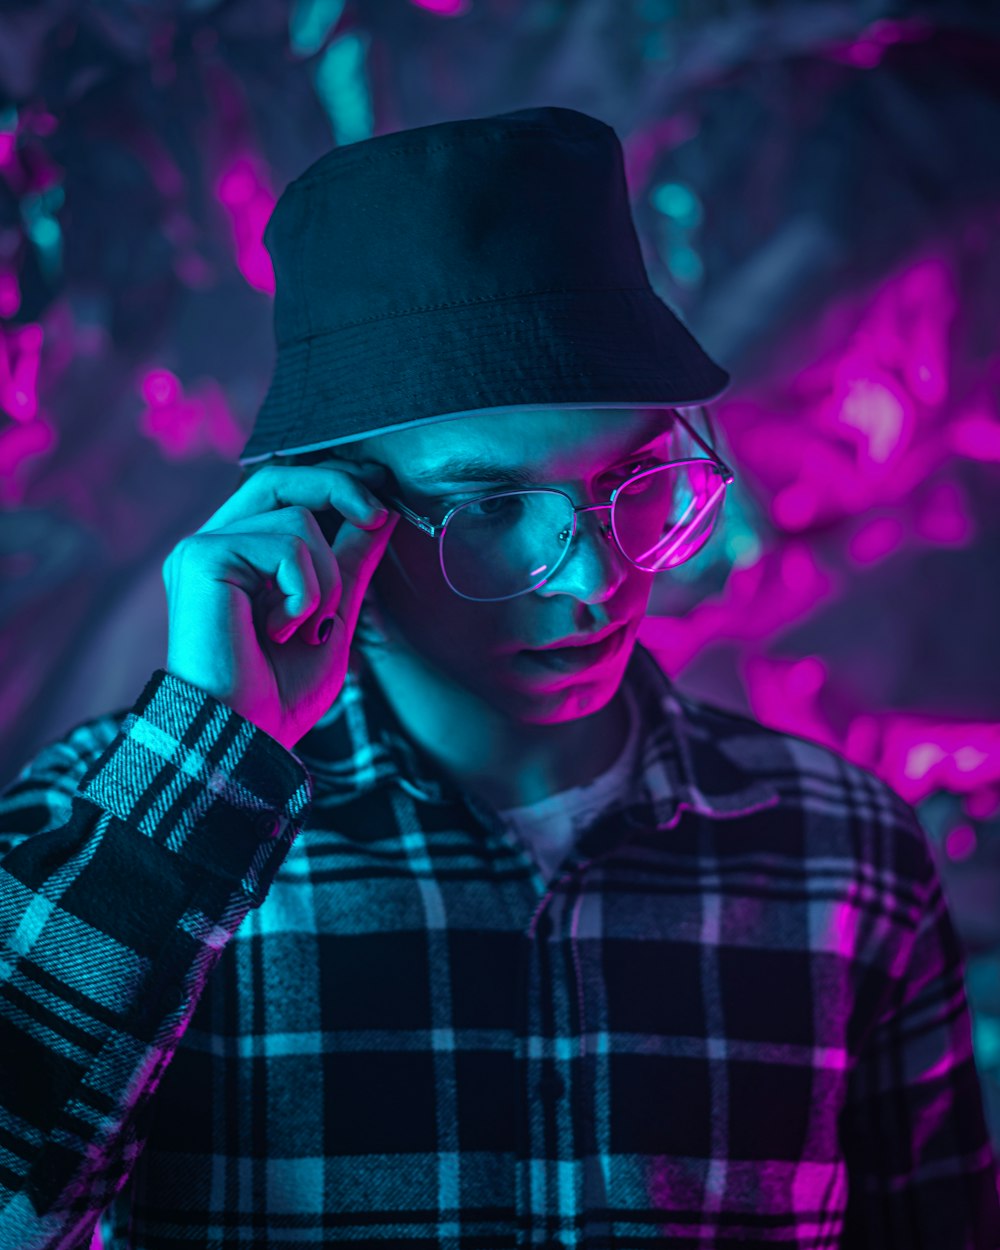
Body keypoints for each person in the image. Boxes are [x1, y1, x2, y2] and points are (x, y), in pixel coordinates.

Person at [0, 106, 997, 1250]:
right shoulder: (109, 824)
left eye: (633, 481)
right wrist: (199, 772)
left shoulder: (847, 849)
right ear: (323, 518)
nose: (587, 579)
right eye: (489, 508)